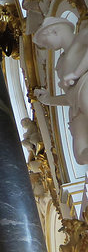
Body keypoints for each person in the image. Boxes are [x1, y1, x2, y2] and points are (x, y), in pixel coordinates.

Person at [33, 16, 88, 164]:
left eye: (46, 42)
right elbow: (70, 97)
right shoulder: (60, 62)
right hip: (76, 105)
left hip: (86, 89)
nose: (48, 47)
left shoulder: (82, 36)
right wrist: (48, 100)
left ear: (54, 31)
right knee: (80, 156)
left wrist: (76, 73)